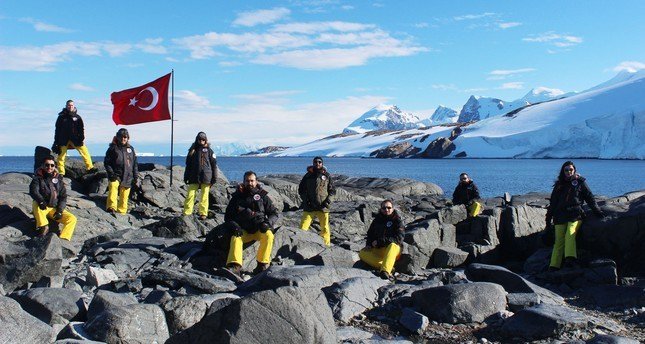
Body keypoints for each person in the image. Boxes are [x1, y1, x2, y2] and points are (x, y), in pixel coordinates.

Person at [546, 161, 605, 270]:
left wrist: (597, 210)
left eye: (570, 170)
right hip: (560, 216)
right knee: (558, 241)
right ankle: (554, 265)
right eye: (566, 170)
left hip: (575, 214)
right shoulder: (559, 185)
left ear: (574, 171)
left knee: (570, 233)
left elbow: (589, 197)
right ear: (563, 172)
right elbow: (553, 203)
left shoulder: (580, 182)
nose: (568, 172)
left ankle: (570, 259)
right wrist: (548, 219)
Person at [224, 171, 279, 276]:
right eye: (247, 181)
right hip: (243, 230)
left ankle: (261, 265)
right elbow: (228, 217)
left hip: (259, 228)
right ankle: (235, 266)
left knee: (268, 235)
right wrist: (235, 226)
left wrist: (267, 224)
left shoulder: (263, 196)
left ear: (256, 181)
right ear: (243, 182)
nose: (250, 183)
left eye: (252, 181)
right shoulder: (237, 197)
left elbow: (274, 213)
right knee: (235, 238)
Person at [29, 155, 77, 240]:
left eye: (52, 165)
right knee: (35, 203)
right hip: (42, 206)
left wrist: (59, 211)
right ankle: (43, 227)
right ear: (42, 166)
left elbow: (63, 196)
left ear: (55, 166)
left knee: (72, 219)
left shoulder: (59, 180)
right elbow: (34, 191)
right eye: (47, 165)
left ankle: (64, 239)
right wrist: (41, 201)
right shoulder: (37, 178)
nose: (49, 167)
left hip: (54, 208)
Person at [359, 200, 405, 280]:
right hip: (379, 249)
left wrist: (380, 241)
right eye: (384, 208)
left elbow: (399, 238)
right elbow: (370, 234)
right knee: (362, 253)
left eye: (389, 207)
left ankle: (385, 271)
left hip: (393, 250)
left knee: (393, 246)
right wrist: (369, 244)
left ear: (393, 209)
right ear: (381, 209)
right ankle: (389, 267)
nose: (386, 210)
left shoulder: (397, 221)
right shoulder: (377, 220)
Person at [298, 156, 336, 246]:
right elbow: (301, 190)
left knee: (325, 228)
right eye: (315, 162)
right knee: (303, 227)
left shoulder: (327, 176)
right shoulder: (308, 176)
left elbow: (333, 191)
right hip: (309, 206)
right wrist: (305, 200)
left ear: (322, 164)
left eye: (319, 162)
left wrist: (328, 201)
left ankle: (326, 246)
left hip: (323, 206)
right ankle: (299, 244)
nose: (317, 163)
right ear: (313, 163)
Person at [52, 100, 95, 176]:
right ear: (66, 106)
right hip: (63, 139)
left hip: (75, 139)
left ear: (74, 106)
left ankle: (90, 168)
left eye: (71, 105)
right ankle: (61, 172)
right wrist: (56, 142)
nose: (70, 106)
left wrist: (81, 138)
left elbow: (81, 129)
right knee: (61, 156)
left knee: (85, 152)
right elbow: (57, 129)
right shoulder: (61, 117)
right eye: (69, 105)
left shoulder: (77, 117)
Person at [183, 132, 217, 220]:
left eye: (203, 139)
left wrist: (214, 178)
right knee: (190, 195)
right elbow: (188, 165)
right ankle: (187, 212)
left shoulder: (209, 151)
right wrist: (186, 176)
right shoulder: (192, 150)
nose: (201, 141)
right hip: (193, 176)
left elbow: (214, 166)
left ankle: (203, 213)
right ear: (197, 139)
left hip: (206, 177)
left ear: (206, 140)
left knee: (204, 196)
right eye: (200, 139)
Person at [104, 128, 139, 215]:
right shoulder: (112, 148)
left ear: (127, 138)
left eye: (125, 137)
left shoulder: (131, 149)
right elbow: (107, 163)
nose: (123, 139)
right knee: (113, 186)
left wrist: (135, 177)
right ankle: (111, 207)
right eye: (121, 137)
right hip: (116, 174)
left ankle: (122, 212)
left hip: (128, 176)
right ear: (118, 137)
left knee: (124, 195)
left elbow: (134, 164)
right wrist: (111, 174)